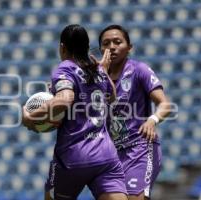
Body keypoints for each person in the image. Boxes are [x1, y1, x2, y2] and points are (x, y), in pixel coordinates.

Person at [22, 24, 128, 200]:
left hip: (73, 157)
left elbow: (65, 99)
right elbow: (111, 96)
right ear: (87, 48)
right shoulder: (98, 70)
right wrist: (103, 71)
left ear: (62, 47)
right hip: (105, 156)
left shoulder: (66, 68)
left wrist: (30, 117)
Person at [96, 24, 172, 200]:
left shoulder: (139, 70)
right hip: (111, 155)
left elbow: (165, 104)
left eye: (117, 42)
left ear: (129, 47)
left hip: (140, 150)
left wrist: (152, 120)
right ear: (101, 49)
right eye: (106, 43)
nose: (112, 47)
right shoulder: (96, 78)